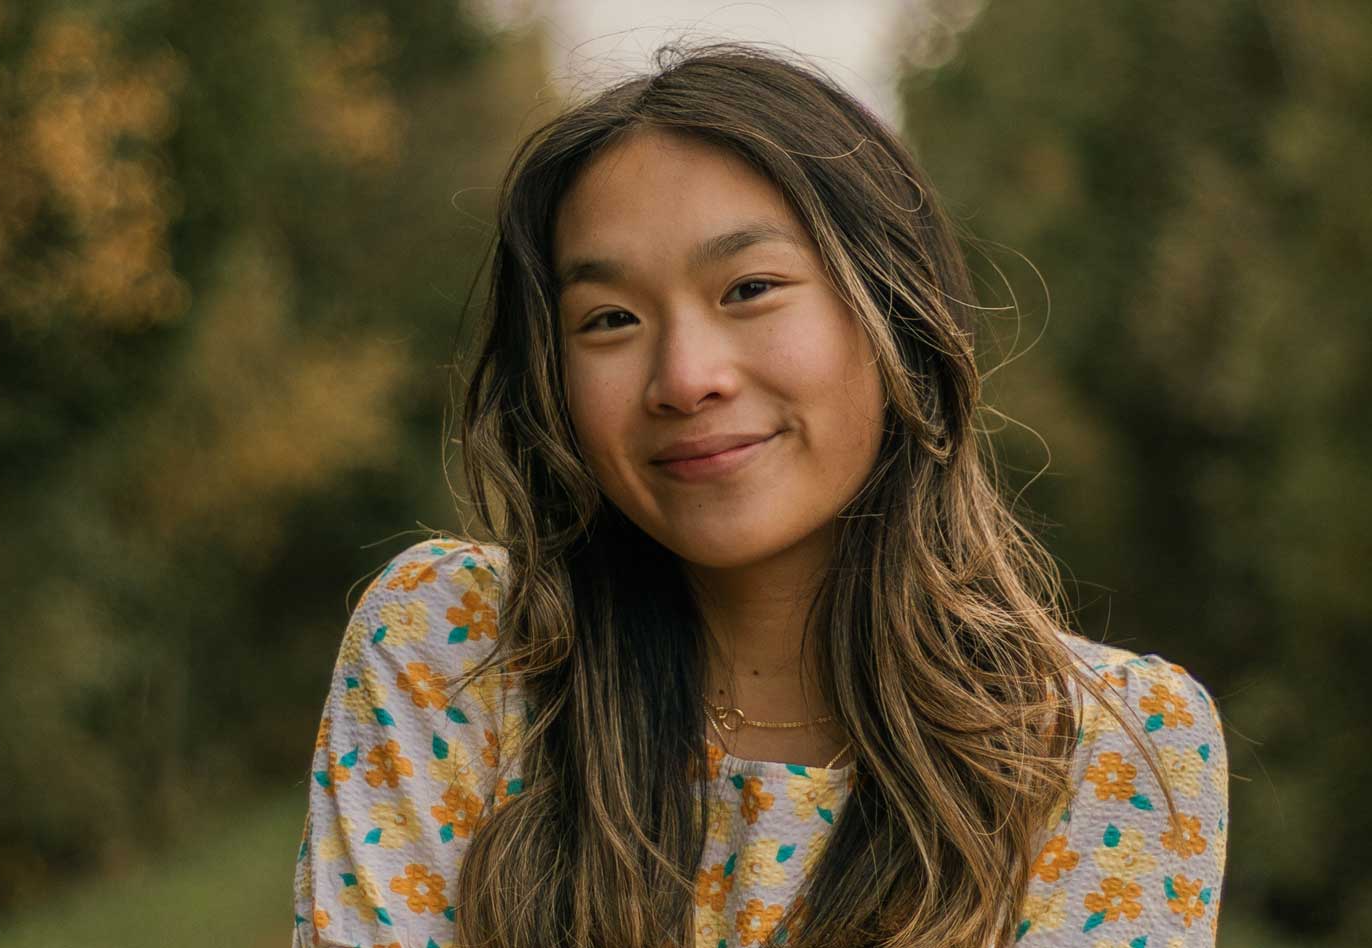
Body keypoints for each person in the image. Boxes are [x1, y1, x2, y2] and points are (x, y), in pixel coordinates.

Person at [291, 41, 1228, 948]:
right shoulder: (449, 652)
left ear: (893, 314)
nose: (685, 377)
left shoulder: (1109, 748)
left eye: (749, 287)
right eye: (609, 319)